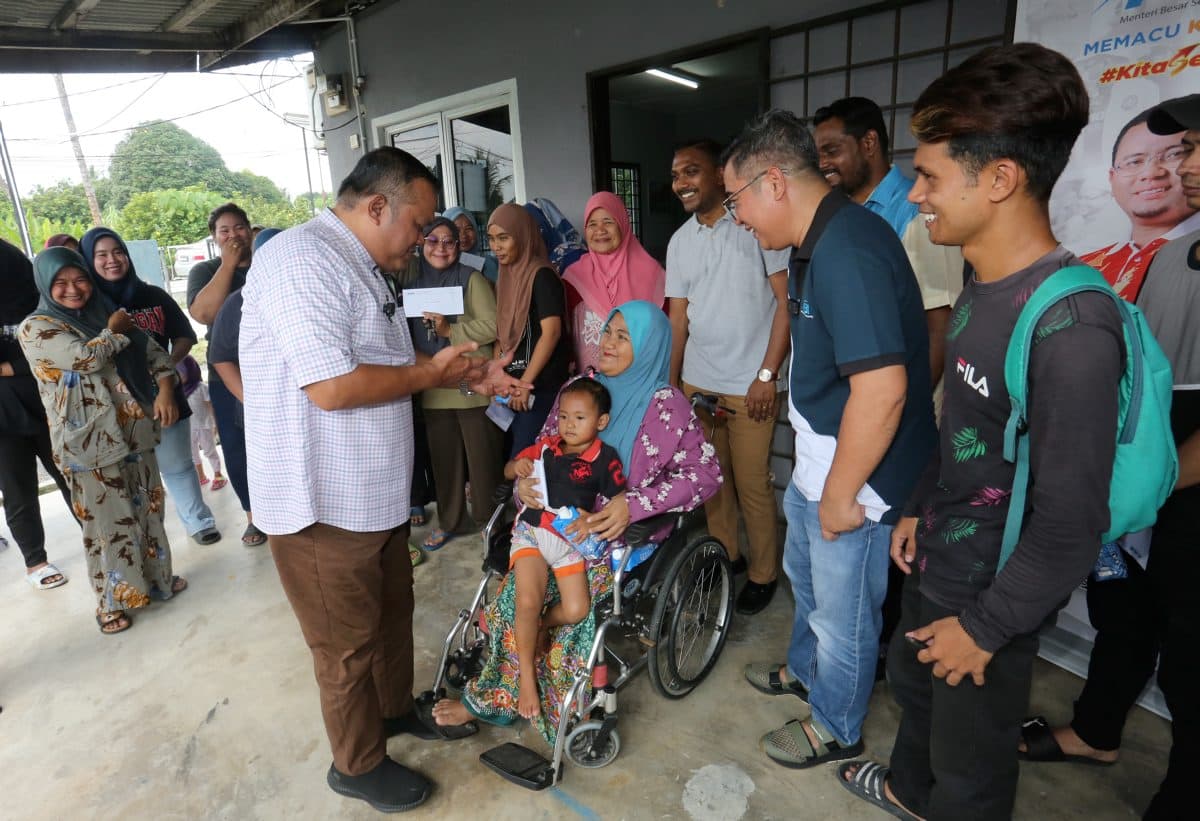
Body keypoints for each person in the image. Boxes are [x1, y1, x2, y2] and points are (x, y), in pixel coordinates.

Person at [831, 44, 1123, 821]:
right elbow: (966, 424)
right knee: (919, 693)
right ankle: (904, 789)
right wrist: (923, 502)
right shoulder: (978, 281)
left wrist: (986, 628)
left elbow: (1071, 522)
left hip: (995, 589)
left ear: (999, 178)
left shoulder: (1072, 325)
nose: (915, 193)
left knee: (974, 764)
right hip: (943, 552)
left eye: (929, 175)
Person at [238, 146, 526, 813]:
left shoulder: (361, 264)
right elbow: (333, 387)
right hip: (321, 502)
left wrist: (467, 370)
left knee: (392, 616)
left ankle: (393, 712)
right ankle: (357, 763)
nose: (425, 240)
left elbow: (391, 356)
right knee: (344, 647)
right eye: (419, 224)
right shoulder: (300, 260)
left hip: (371, 493)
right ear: (376, 207)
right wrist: (432, 375)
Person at [722, 109, 937, 768]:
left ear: (773, 183)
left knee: (845, 611)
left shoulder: (850, 247)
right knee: (809, 585)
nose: (739, 218)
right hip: (823, 454)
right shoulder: (816, 241)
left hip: (859, 472)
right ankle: (808, 673)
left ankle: (837, 723)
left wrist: (843, 494)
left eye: (737, 201)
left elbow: (884, 390)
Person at [1018, 92, 1200, 821]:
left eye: (1180, 152)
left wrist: (1154, 484)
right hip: (1120, 469)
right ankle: (1097, 730)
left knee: (1189, 648)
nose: (1163, 171)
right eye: (1139, 159)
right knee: (1118, 602)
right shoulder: (1091, 266)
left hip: (1179, 467)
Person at [431, 300, 723, 744]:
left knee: (568, 610)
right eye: (608, 331)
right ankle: (505, 690)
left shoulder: (668, 407)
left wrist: (635, 503)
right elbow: (544, 449)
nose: (607, 342)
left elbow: (706, 474)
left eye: (623, 337)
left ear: (649, 347)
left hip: (618, 535)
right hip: (554, 522)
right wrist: (524, 486)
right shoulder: (581, 386)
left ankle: (523, 686)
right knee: (518, 595)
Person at [812, 96, 967, 671]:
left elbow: (937, 325)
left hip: (902, 411)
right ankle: (864, 652)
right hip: (866, 410)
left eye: (833, 149)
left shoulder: (915, 214)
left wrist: (901, 415)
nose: (823, 162)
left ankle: (880, 658)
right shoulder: (838, 216)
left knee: (900, 543)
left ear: (870, 144)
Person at [19, 247, 188, 634]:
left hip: (135, 432)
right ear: (45, 284)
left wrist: (164, 389)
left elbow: (157, 356)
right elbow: (85, 359)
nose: (73, 289)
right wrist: (114, 331)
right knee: (107, 526)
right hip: (88, 444)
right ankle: (112, 602)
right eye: (60, 283)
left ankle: (159, 581)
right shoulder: (37, 327)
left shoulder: (106, 313)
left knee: (148, 511)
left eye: (79, 279)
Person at [666, 137, 791, 617]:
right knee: (712, 481)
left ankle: (764, 573)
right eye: (676, 174)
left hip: (751, 384)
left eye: (691, 171)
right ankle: (727, 558)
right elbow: (678, 318)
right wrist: (673, 386)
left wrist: (767, 375)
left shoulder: (754, 226)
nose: (681, 183)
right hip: (700, 382)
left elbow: (785, 304)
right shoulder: (680, 242)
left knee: (755, 484)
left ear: (720, 173)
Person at [81, 227, 221, 546]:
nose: (112, 260)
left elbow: (184, 334)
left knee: (178, 464)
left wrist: (168, 366)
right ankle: (146, 538)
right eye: (101, 255)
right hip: (115, 405)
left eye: (117, 252)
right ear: (89, 260)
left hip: (163, 393)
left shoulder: (152, 295)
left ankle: (199, 522)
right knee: (131, 477)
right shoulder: (86, 306)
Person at [505, 377, 625, 718]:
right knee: (527, 600)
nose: (568, 425)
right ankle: (527, 679)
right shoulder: (545, 447)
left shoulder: (606, 459)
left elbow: (619, 501)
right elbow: (508, 469)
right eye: (563, 417)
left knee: (575, 611)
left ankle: (544, 625)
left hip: (569, 542)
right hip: (533, 530)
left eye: (580, 418)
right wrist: (518, 469)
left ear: (601, 422)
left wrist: (593, 519)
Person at [405, 216, 503, 552]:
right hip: (433, 386)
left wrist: (451, 332)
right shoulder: (411, 281)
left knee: (482, 458)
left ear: (459, 246)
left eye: (449, 242)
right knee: (444, 462)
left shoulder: (471, 278)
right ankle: (451, 521)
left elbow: (492, 325)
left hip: (469, 384)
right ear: (421, 243)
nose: (441, 249)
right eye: (433, 241)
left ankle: (489, 522)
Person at [186, 202, 264, 546]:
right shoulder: (206, 272)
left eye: (238, 227)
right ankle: (254, 517)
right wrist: (229, 266)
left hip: (272, 368)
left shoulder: (268, 263)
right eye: (224, 230)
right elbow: (203, 314)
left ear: (250, 228)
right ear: (215, 238)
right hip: (227, 373)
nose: (233, 235)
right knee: (237, 446)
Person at [0, 238, 76, 590]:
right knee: (17, 489)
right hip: (3, 418)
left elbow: (49, 349)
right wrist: (23, 363)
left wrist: (17, 364)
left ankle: (97, 535)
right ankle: (36, 562)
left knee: (71, 473)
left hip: (47, 400)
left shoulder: (32, 297)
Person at [1080, 105, 1199, 301]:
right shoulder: (1082, 269)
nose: (1151, 173)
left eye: (1173, 155)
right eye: (1134, 162)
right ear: (1112, 179)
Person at [489, 203, 572, 456]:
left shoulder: (541, 276)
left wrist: (525, 384)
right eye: (491, 239)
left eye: (504, 238)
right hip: (513, 385)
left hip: (539, 387)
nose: (496, 247)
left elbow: (552, 333)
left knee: (527, 458)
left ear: (523, 237)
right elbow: (502, 334)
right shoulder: (506, 276)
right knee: (516, 456)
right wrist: (501, 375)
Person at [562, 191, 665, 374]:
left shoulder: (653, 274)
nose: (600, 230)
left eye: (608, 222)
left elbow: (666, 332)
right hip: (591, 387)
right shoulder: (573, 277)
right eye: (592, 224)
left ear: (623, 224)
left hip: (641, 380)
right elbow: (566, 334)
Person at [176, 355, 225, 490]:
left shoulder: (201, 387)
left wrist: (215, 423)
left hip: (204, 425)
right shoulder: (178, 392)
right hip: (188, 428)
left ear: (190, 370)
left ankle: (218, 475)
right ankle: (201, 476)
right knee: (193, 454)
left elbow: (211, 406)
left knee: (209, 451)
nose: (178, 375)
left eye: (181, 371)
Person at [443, 206, 499, 283]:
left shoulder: (492, 263)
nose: (463, 235)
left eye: (468, 228)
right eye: (457, 230)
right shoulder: (440, 265)